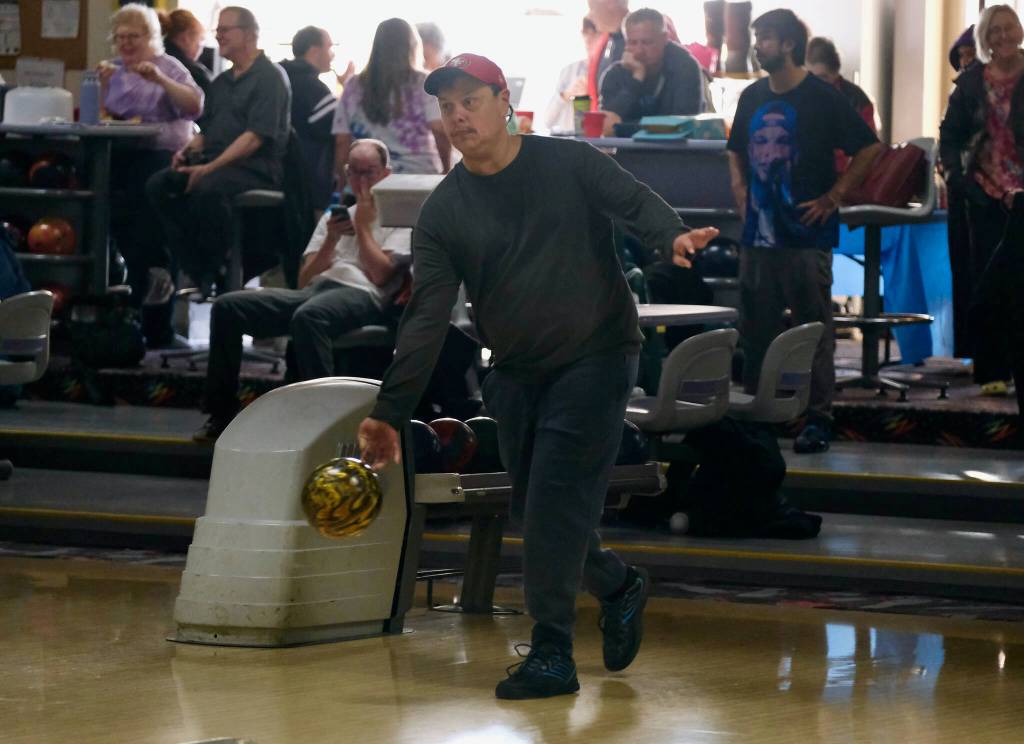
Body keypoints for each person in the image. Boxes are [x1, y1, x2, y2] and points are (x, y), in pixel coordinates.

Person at [356, 52, 719, 700]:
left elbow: (635, 203)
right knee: (540, 508)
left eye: (471, 101)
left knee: (552, 500)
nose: (459, 116)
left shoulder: (569, 163)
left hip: (598, 355)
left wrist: (672, 238)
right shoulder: (445, 213)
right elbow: (426, 321)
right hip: (516, 371)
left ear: (504, 102)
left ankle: (552, 651)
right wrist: (389, 411)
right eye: (448, 108)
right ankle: (616, 583)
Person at [726, 9, 880, 454]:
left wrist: (834, 197)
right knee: (756, 329)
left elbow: (870, 147)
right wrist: (739, 188)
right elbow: (734, 149)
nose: (758, 46)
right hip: (758, 233)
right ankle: (759, 413)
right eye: (757, 38)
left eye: (766, 38)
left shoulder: (821, 97)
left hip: (806, 234)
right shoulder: (753, 96)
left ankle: (818, 416)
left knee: (813, 330)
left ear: (789, 44)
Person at [193, 139, 409, 442]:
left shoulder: (399, 218)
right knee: (229, 307)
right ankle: (220, 413)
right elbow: (304, 279)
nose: (362, 181)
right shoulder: (334, 218)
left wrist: (362, 227)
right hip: (318, 289)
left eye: (369, 173)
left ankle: (324, 420)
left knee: (310, 316)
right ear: (346, 174)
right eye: (355, 173)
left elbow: (381, 275)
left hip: (364, 293)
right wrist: (332, 240)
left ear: (385, 174)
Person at [146, 5, 291, 298]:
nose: (219, 36)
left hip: (256, 167)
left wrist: (208, 168)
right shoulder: (221, 82)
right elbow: (209, 132)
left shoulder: (270, 77)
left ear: (249, 35)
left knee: (207, 187)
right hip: (218, 162)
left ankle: (221, 268)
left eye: (226, 30)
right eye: (218, 31)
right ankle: (201, 269)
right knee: (159, 185)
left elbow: (254, 138)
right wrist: (187, 151)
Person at [98, 3, 203, 348]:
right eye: (121, 37)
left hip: (162, 158)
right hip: (122, 157)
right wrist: (101, 87)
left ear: (151, 37)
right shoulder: (112, 69)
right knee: (113, 228)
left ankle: (158, 325)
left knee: (150, 238)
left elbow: (194, 105)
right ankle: (124, 318)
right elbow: (104, 115)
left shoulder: (167, 66)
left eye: (134, 36)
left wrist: (158, 79)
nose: (127, 43)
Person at [939, 4, 1024, 397]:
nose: (1002, 37)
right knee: (987, 286)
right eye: (994, 32)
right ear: (985, 39)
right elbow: (950, 137)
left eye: (1009, 29)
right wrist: (959, 181)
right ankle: (991, 368)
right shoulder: (972, 82)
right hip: (984, 194)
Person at [332, 18, 450, 190]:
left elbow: (342, 140)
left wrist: (343, 183)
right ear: (412, 46)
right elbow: (439, 131)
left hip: (368, 179)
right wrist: (446, 169)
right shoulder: (422, 82)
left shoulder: (353, 85)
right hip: (417, 178)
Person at [599, 8, 706, 133]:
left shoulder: (685, 66)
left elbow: (683, 124)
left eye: (647, 42)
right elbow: (607, 124)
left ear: (664, 38)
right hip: (628, 151)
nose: (639, 51)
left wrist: (623, 127)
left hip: (675, 150)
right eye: (632, 43)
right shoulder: (615, 74)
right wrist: (636, 80)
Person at [281, 26, 338, 211]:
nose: (332, 55)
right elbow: (337, 130)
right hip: (308, 180)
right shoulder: (314, 89)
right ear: (314, 50)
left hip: (278, 176)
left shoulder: (279, 77)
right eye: (329, 47)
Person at [806, 36, 878, 173]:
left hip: (844, 176)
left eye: (822, 78)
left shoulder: (856, 99)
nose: (815, 84)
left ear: (835, 73)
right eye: (810, 77)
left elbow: (870, 150)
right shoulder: (798, 95)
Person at [543, 16, 600, 133]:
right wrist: (567, 94)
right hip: (570, 140)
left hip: (599, 141)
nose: (589, 39)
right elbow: (548, 121)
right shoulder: (569, 70)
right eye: (585, 33)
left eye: (594, 34)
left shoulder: (610, 72)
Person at [159, 8, 212, 94]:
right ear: (185, 38)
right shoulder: (195, 74)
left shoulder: (154, 58)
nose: (202, 46)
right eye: (201, 39)